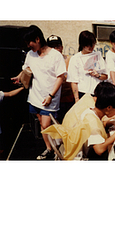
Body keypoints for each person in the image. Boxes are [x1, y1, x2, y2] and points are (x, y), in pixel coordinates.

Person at [11, 25, 66, 160]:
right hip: (35, 95)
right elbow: (27, 68)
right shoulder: (31, 54)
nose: (28, 46)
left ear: (37, 39)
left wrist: (51, 96)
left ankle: (56, 145)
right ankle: (50, 148)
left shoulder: (55, 55)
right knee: (42, 123)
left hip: (49, 97)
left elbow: (61, 77)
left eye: (30, 42)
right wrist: (19, 76)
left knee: (47, 125)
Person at [42, 82, 115, 160]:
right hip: (78, 158)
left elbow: (99, 125)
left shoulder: (91, 111)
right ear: (108, 107)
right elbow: (99, 150)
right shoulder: (92, 121)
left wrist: (112, 123)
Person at [67, 30, 108, 103]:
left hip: (97, 94)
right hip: (82, 93)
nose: (91, 47)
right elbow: (73, 82)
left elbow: (105, 76)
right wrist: (77, 99)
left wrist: (98, 75)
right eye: (88, 44)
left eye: (93, 44)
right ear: (82, 44)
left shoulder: (98, 56)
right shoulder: (75, 59)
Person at [47, 35, 75, 123]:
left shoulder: (69, 60)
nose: (55, 49)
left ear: (62, 47)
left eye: (57, 46)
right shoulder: (46, 61)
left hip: (68, 98)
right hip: (52, 99)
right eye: (51, 47)